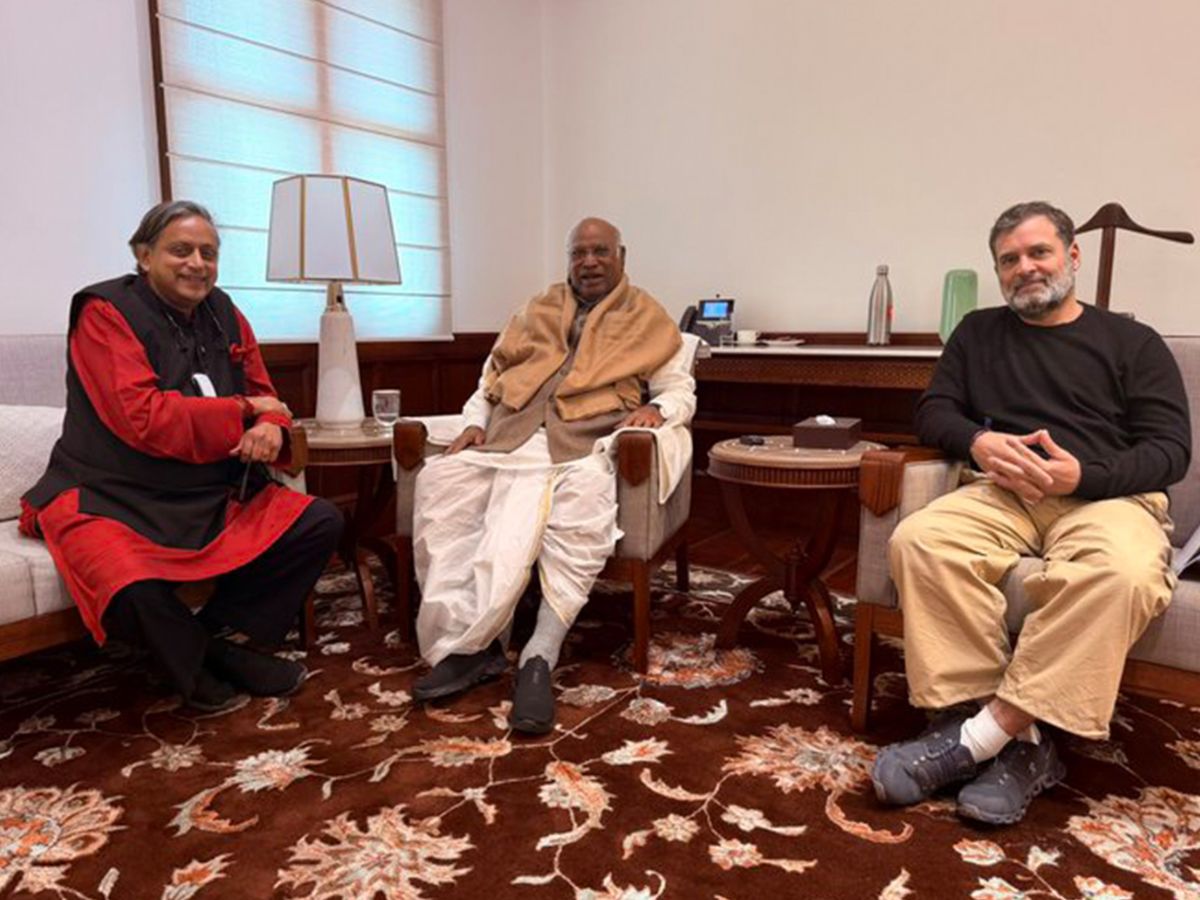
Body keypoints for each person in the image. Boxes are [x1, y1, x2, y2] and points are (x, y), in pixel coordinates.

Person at [870, 201, 1192, 824]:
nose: (1025, 268)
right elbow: (933, 412)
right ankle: (1017, 744)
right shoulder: (977, 333)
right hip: (1002, 494)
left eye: (1039, 252)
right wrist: (979, 442)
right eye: (1009, 260)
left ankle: (982, 737)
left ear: (1072, 256)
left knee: (1124, 572)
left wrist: (1084, 475)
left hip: (1107, 499)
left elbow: (1170, 450)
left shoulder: (1134, 342)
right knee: (921, 540)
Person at [21, 201, 343, 712]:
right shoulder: (104, 312)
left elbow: (267, 396)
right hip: (108, 494)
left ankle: (211, 638)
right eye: (181, 250)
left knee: (319, 522)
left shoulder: (226, 312)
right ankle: (212, 661)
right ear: (144, 255)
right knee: (127, 583)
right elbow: (144, 418)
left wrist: (271, 425)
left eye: (208, 253)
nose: (197, 263)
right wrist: (246, 411)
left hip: (206, 490)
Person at [410, 217, 695, 733]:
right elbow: (489, 381)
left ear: (622, 256)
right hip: (510, 437)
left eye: (600, 251)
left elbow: (677, 387)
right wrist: (475, 424)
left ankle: (539, 653)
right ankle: (471, 647)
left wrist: (659, 410)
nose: (589, 262)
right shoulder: (535, 309)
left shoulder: (648, 316)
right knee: (443, 481)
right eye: (579, 253)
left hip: (584, 445)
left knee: (581, 504)